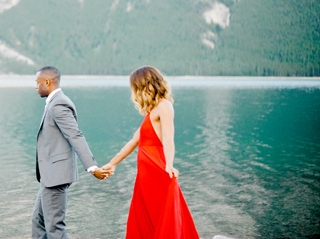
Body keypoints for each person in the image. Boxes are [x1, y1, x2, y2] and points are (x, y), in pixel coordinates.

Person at [101, 66, 199, 239]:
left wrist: (169, 164)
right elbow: (133, 142)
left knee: (162, 218)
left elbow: (169, 138)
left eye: (135, 89)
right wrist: (112, 163)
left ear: (144, 86)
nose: (135, 94)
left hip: (157, 172)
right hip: (144, 177)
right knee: (145, 220)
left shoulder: (164, 106)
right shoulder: (151, 112)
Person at [32, 66, 109, 239]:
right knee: (38, 223)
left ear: (47, 82)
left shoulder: (58, 104)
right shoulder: (54, 102)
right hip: (49, 175)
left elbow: (75, 135)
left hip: (55, 176)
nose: (35, 86)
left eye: (37, 83)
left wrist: (92, 167)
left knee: (54, 228)